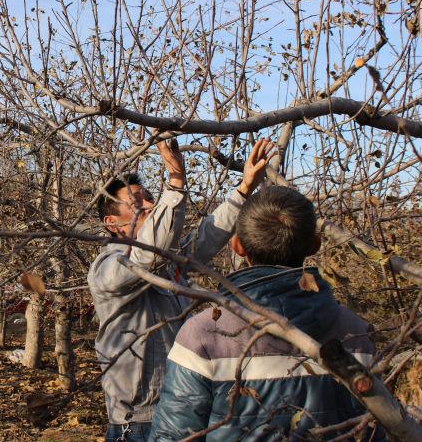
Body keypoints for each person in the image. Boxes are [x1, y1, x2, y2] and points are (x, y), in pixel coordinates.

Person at [150, 186, 382, 441]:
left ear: (237, 245)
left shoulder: (203, 335)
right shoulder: (357, 331)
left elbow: (172, 435)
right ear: (315, 245)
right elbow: (375, 429)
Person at [89, 138, 273, 442]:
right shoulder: (108, 269)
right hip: (138, 422)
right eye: (137, 202)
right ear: (112, 223)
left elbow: (207, 237)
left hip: (180, 407)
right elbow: (147, 255)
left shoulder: (165, 261)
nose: (149, 205)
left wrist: (244, 189)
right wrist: (175, 179)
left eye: (151, 198)